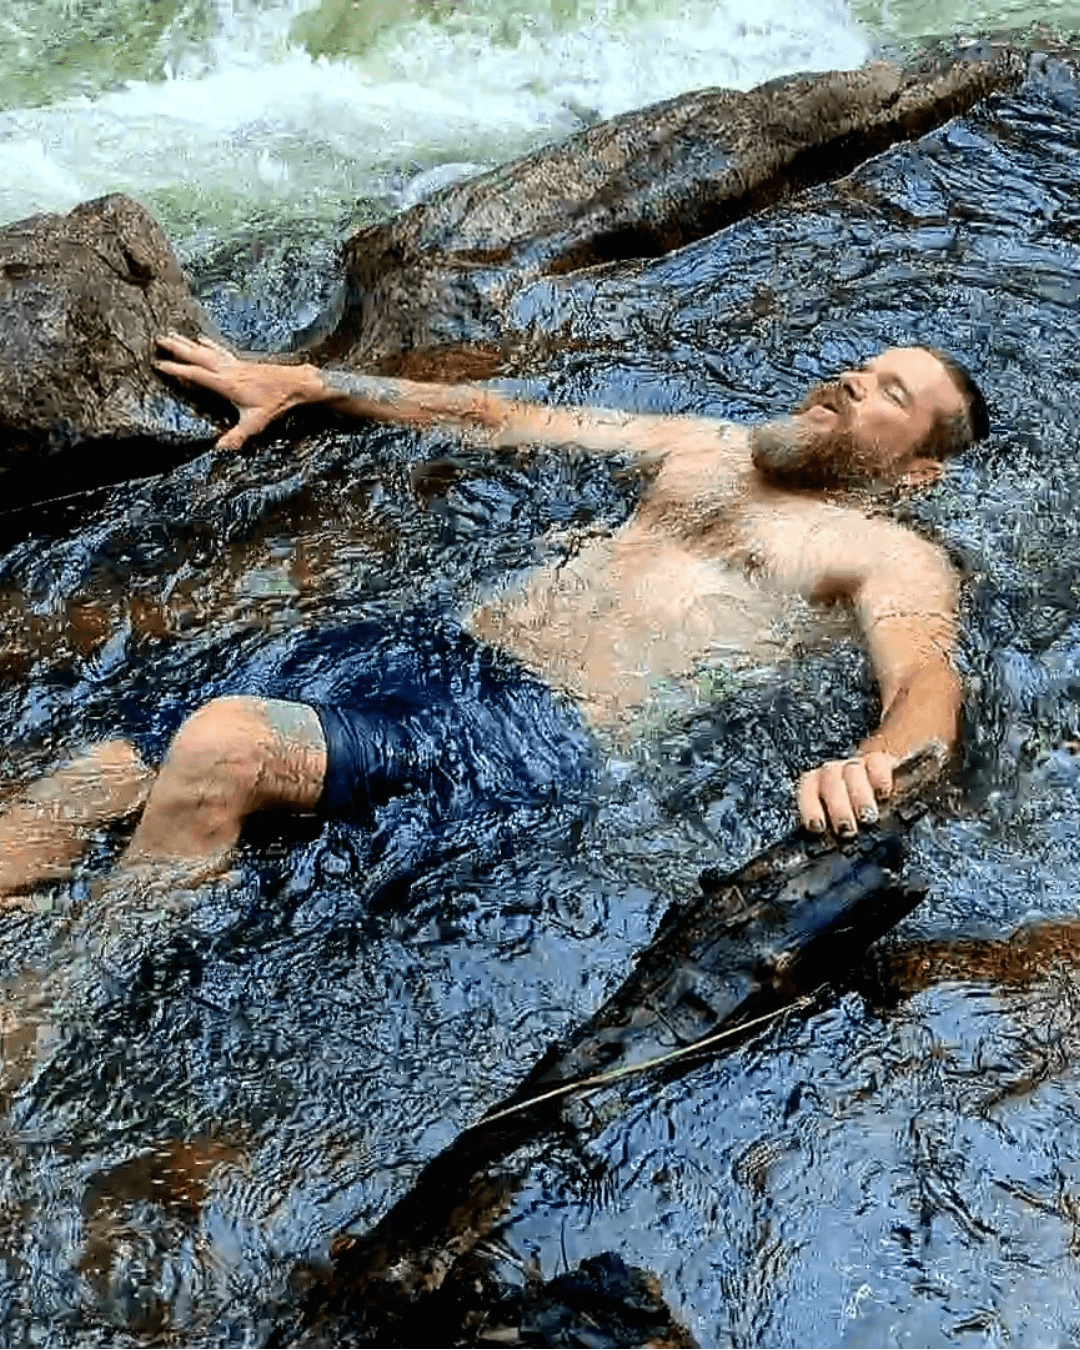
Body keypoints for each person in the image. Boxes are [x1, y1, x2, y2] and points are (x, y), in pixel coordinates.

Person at [0, 336, 989, 899]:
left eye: (889, 392)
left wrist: (877, 764)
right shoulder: (706, 447)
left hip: (525, 733)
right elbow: (496, 417)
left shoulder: (888, 552)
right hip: (425, 654)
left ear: (918, 472)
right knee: (89, 779)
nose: (852, 379)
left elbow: (926, 680)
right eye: (861, 366)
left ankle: (47, 1012)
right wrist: (309, 384)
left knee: (224, 746)